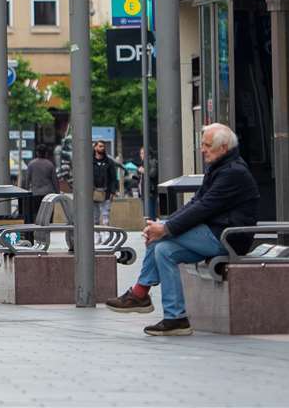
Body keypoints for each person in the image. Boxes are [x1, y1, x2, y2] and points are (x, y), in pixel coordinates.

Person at [106, 123, 259, 336]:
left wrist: (165, 229)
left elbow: (204, 208)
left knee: (159, 240)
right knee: (164, 250)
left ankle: (140, 293)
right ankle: (175, 317)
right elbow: (196, 202)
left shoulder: (233, 173)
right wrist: (163, 225)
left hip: (227, 237)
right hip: (214, 232)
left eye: (207, 145)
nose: (202, 149)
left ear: (223, 147)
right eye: (202, 144)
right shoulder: (220, 167)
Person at [89, 140, 122, 224]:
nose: (102, 148)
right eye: (100, 146)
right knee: (95, 216)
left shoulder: (109, 162)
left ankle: (106, 233)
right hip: (93, 192)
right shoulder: (89, 162)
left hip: (106, 192)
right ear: (95, 147)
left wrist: (113, 191)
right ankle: (96, 234)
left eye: (103, 146)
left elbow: (113, 178)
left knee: (105, 215)